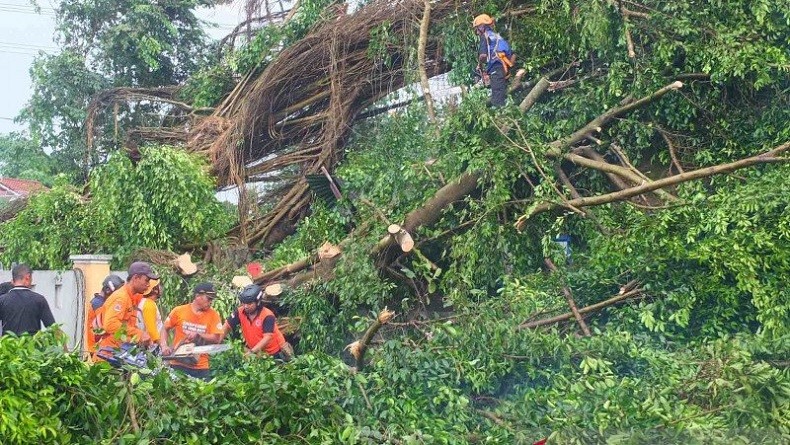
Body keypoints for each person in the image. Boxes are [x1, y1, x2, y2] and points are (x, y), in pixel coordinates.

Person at [163, 282, 223, 380]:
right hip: (178, 364)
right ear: (198, 296)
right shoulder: (179, 311)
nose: (211, 302)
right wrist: (164, 346)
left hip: (201, 366)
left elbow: (217, 339)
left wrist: (199, 335)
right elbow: (165, 329)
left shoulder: (213, 315)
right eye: (209, 299)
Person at [97, 262, 156, 355]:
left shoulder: (131, 297)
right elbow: (110, 325)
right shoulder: (121, 297)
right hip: (109, 356)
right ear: (136, 278)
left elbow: (126, 326)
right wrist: (139, 334)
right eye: (146, 280)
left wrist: (139, 338)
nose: (148, 285)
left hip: (120, 353)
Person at [221, 284, 292, 361]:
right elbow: (227, 325)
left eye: (249, 304)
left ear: (258, 302)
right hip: (257, 352)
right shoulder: (240, 312)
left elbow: (267, 338)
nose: (246, 306)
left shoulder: (267, 315)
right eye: (244, 303)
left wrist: (252, 352)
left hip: (275, 353)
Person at [0, 264, 56, 336]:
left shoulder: (2, 300)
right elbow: (53, 328)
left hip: (8, 345)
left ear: (13, 280)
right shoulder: (39, 300)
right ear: (27, 277)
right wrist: (63, 346)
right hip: (32, 346)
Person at [473, 13, 515, 107]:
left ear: (482, 26)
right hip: (503, 68)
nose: (477, 32)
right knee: (502, 95)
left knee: (497, 100)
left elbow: (483, 56)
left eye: (477, 29)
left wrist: (479, 64)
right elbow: (513, 54)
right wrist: (507, 70)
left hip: (496, 69)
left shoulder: (485, 37)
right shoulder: (497, 36)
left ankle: (502, 119)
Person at [86, 274, 125, 353]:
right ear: (108, 290)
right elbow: (105, 327)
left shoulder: (100, 302)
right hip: (99, 349)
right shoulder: (98, 304)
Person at [136, 279, 171, 355]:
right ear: (155, 290)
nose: (161, 288)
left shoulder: (144, 302)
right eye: (159, 286)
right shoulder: (149, 305)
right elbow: (151, 330)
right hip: (150, 346)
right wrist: (162, 346)